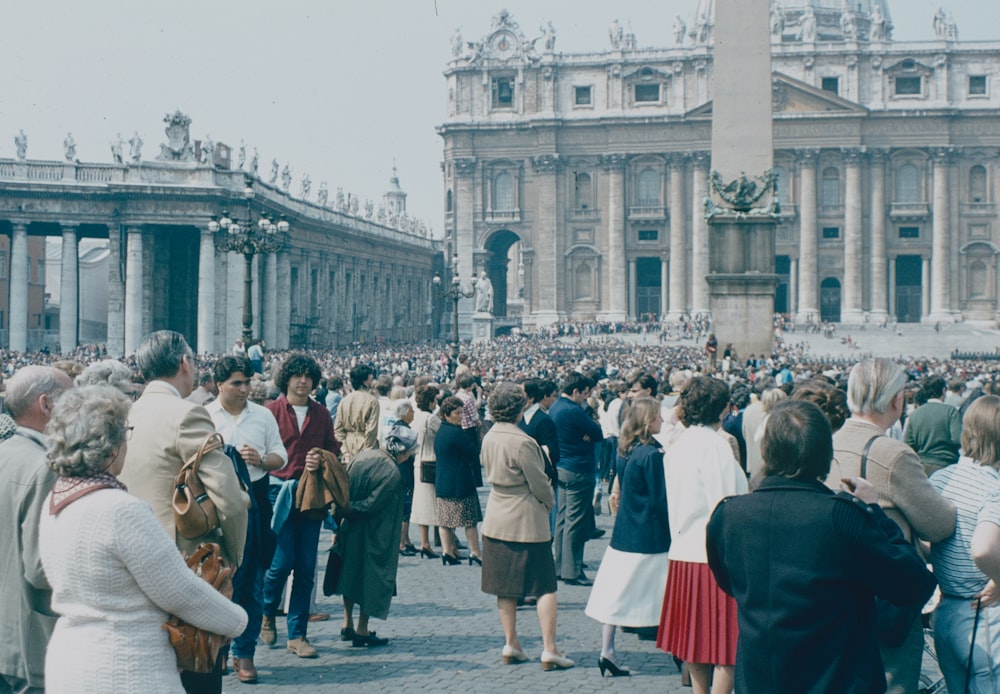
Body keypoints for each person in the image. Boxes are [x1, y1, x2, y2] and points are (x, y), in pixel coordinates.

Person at [706, 400, 936, 693]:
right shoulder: (841, 515)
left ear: (766, 452)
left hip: (761, 677)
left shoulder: (729, 514)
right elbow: (913, 583)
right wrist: (875, 512)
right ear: (825, 456)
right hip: (834, 678)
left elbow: (730, 582)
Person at [39, 385, 248, 693]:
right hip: (125, 666)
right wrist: (236, 620)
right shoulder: (120, 510)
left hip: (69, 660)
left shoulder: (56, 500)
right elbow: (179, 591)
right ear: (110, 448)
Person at [117, 331, 248, 692]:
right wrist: (233, 557)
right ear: (184, 363)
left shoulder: (127, 411)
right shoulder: (186, 414)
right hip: (184, 562)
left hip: (131, 559)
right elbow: (231, 499)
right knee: (196, 670)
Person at [829, 358, 957, 694]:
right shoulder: (892, 454)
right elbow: (940, 524)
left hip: (837, 596)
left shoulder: (827, 442)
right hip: (885, 602)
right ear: (896, 400)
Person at [656, 376, 747, 694]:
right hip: (716, 555)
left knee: (694, 641)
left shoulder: (677, 446)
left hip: (683, 549)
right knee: (725, 647)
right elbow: (725, 506)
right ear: (721, 409)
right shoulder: (716, 446)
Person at [205, 355, 288, 683]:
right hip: (215, 507)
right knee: (217, 581)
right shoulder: (204, 416)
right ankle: (219, 649)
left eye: (248, 382)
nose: (244, 389)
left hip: (254, 502)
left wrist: (262, 460)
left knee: (251, 581)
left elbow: (281, 456)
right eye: (237, 383)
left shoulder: (263, 416)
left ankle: (245, 652)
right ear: (219, 384)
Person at [480, 383, 573, 671]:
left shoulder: (489, 436)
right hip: (526, 517)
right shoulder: (523, 441)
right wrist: (549, 502)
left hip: (497, 515)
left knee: (504, 587)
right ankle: (550, 649)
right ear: (519, 409)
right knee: (544, 585)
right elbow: (539, 482)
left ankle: (511, 643)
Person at [260, 354, 339, 659]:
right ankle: (267, 613)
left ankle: (297, 634)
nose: (303, 381)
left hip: (311, 495)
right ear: (286, 380)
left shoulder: (321, 414)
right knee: (280, 563)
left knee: (306, 566)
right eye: (297, 376)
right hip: (278, 493)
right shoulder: (271, 412)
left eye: (308, 376)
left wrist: (322, 457)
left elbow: (333, 447)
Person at [0, 366, 73, 693]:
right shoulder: (46, 468)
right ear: (46, 404)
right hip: (28, 634)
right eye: (71, 399)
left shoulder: (6, 452)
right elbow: (41, 567)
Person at [585, 397, 669, 678]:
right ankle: (680, 654)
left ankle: (607, 649)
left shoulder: (626, 449)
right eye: (658, 417)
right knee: (663, 594)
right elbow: (660, 500)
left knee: (616, 594)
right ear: (648, 421)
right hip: (649, 536)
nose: (662, 421)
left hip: (625, 532)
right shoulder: (652, 455)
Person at [927, 395, 1000, 693]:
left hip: (945, 613)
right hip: (982, 616)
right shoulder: (994, 488)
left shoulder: (941, 479)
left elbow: (923, 540)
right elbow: (983, 549)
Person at [334, 425, 410, 647]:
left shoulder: (364, 456)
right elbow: (371, 504)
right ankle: (362, 629)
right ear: (403, 453)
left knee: (348, 574)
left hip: (351, 526)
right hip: (376, 531)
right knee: (371, 579)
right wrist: (350, 508)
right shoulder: (392, 471)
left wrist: (342, 511)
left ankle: (346, 623)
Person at [549, 371, 604, 585]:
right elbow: (597, 433)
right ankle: (573, 570)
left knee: (563, 519)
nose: (585, 397)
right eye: (584, 394)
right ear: (575, 391)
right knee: (576, 522)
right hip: (579, 468)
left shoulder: (555, 407)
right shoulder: (573, 410)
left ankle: (561, 565)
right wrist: (587, 437)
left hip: (562, 467)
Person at [434, 395, 482, 565]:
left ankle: (448, 552)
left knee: (445, 521)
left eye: (462, 412)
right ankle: (475, 552)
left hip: (443, 481)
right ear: (447, 414)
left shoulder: (441, 430)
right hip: (460, 483)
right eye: (457, 413)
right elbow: (473, 452)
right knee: (470, 520)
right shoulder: (456, 433)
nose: (461, 416)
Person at [903, 375, 962, 477]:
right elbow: (957, 439)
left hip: (921, 466)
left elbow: (908, 443)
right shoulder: (950, 411)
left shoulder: (915, 413)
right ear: (944, 390)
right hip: (947, 465)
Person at [410, 384, 441, 558]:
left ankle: (424, 542)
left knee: (421, 504)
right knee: (435, 503)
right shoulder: (431, 419)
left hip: (418, 462)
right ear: (430, 402)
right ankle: (438, 540)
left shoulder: (416, 417)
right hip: (432, 460)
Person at [334, 364, 379, 463]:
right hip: (365, 447)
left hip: (347, 446)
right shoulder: (372, 401)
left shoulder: (344, 400)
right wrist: (367, 452)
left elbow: (338, 430)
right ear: (364, 379)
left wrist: (345, 451)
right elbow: (371, 431)